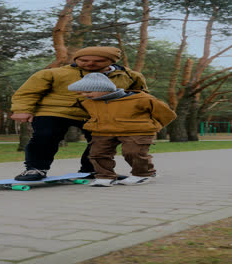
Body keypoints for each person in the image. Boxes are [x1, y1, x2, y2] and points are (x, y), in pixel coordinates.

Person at [10, 46, 148, 181]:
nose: (90, 63)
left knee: (102, 142)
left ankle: (92, 169)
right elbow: (28, 92)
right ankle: (35, 169)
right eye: (84, 60)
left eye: (98, 61)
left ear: (112, 61)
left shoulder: (131, 76)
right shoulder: (53, 73)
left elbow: (140, 95)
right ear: (76, 59)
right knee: (46, 136)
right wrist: (22, 110)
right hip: (54, 110)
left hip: (99, 113)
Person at [68, 72, 177, 187]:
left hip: (136, 131)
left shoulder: (141, 99)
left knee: (133, 152)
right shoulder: (87, 102)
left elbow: (167, 114)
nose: (85, 95)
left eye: (88, 92)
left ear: (105, 89)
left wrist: (153, 126)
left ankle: (143, 174)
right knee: (97, 153)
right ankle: (105, 176)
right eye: (81, 92)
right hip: (102, 131)